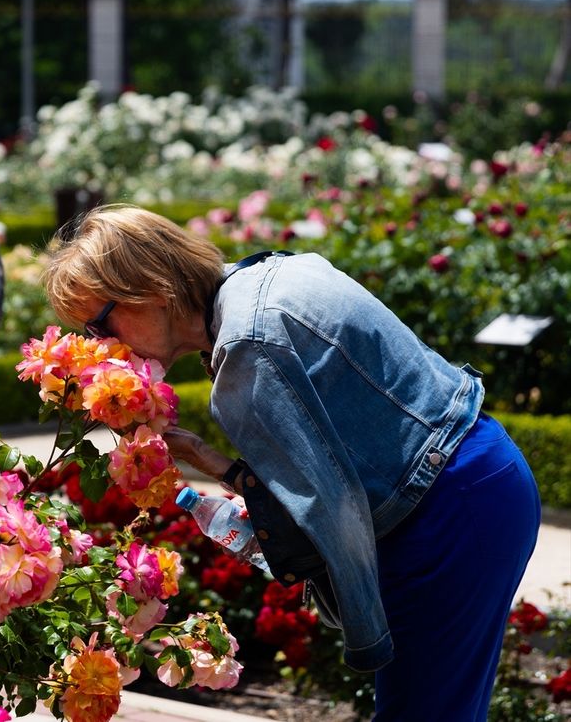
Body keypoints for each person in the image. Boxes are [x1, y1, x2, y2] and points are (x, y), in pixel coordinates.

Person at [43, 204, 541, 720]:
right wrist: (211, 460)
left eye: (100, 323)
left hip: (446, 517)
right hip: (486, 475)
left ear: (150, 287)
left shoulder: (245, 347)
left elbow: (331, 512)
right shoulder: (270, 273)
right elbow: (330, 457)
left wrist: (364, 633)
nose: (104, 347)